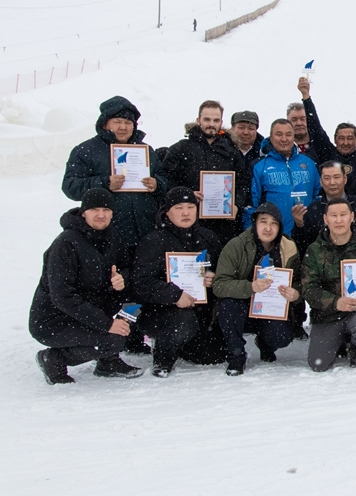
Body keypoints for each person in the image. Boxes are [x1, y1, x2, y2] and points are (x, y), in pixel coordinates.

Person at [29, 188, 143, 384]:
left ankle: (109, 361)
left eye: (106, 210)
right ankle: (54, 359)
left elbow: (126, 266)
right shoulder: (65, 244)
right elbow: (63, 297)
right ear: (83, 213)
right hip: (55, 320)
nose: (101, 215)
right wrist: (107, 324)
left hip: (92, 308)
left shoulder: (112, 236)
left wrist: (122, 278)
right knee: (113, 339)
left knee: (137, 301)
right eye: (94, 210)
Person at [132, 187, 225, 377]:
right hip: (161, 310)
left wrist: (213, 278)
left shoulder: (208, 237)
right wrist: (174, 295)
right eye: (179, 208)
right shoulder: (154, 241)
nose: (185, 213)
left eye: (190, 207)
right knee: (182, 323)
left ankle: (182, 343)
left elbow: (222, 271)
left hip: (200, 309)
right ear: (167, 212)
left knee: (212, 355)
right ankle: (162, 358)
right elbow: (141, 282)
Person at [62, 95, 167, 252]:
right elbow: (70, 186)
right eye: (117, 122)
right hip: (106, 234)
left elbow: (165, 180)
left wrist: (157, 184)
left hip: (146, 232)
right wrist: (105, 183)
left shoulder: (145, 151)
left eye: (128, 123)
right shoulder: (86, 150)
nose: (123, 127)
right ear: (105, 123)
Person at [213, 202, 301, 375]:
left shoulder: (288, 247)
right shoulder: (237, 245)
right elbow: (219, 284)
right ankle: (236, 355)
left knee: (281, 336)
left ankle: (266, 344)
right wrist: (250, 287)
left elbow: (299, 281)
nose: (268, 228)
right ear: (255, 223)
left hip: (271, 308)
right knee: (228, 306)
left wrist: (296, 293)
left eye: (274, 223)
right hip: (241, 307)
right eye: (263, 222)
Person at [302, 198, 356, 371]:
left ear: (352, 217)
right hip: (328, 315)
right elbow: (309, 289)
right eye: (334, 216)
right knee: (318, 364)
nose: (339, 220)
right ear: (325, 219)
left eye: (343, 215)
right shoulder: (315, 250)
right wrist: (336, 302)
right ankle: (338, 342)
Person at [161, 100, 248, 247]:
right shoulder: (181, 148)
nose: (211, 124)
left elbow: (243, 183)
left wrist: (236, 205)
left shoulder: (231, 151)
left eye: (216, 120)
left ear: (221, 122)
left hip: (223, 224)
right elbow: (166, 179)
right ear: (198, 120)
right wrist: (186, 194)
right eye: (207, 119)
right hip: (190, 222)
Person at [246, 118, 320, 236]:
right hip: (273, 235)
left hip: (306, 234)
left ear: (293, 137)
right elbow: (250, 205)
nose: (284, 139)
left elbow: (318, 196)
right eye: (279, 134)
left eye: (288, 134)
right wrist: (251, 235)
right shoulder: (259, 166)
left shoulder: (309, 163)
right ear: (271, 137)